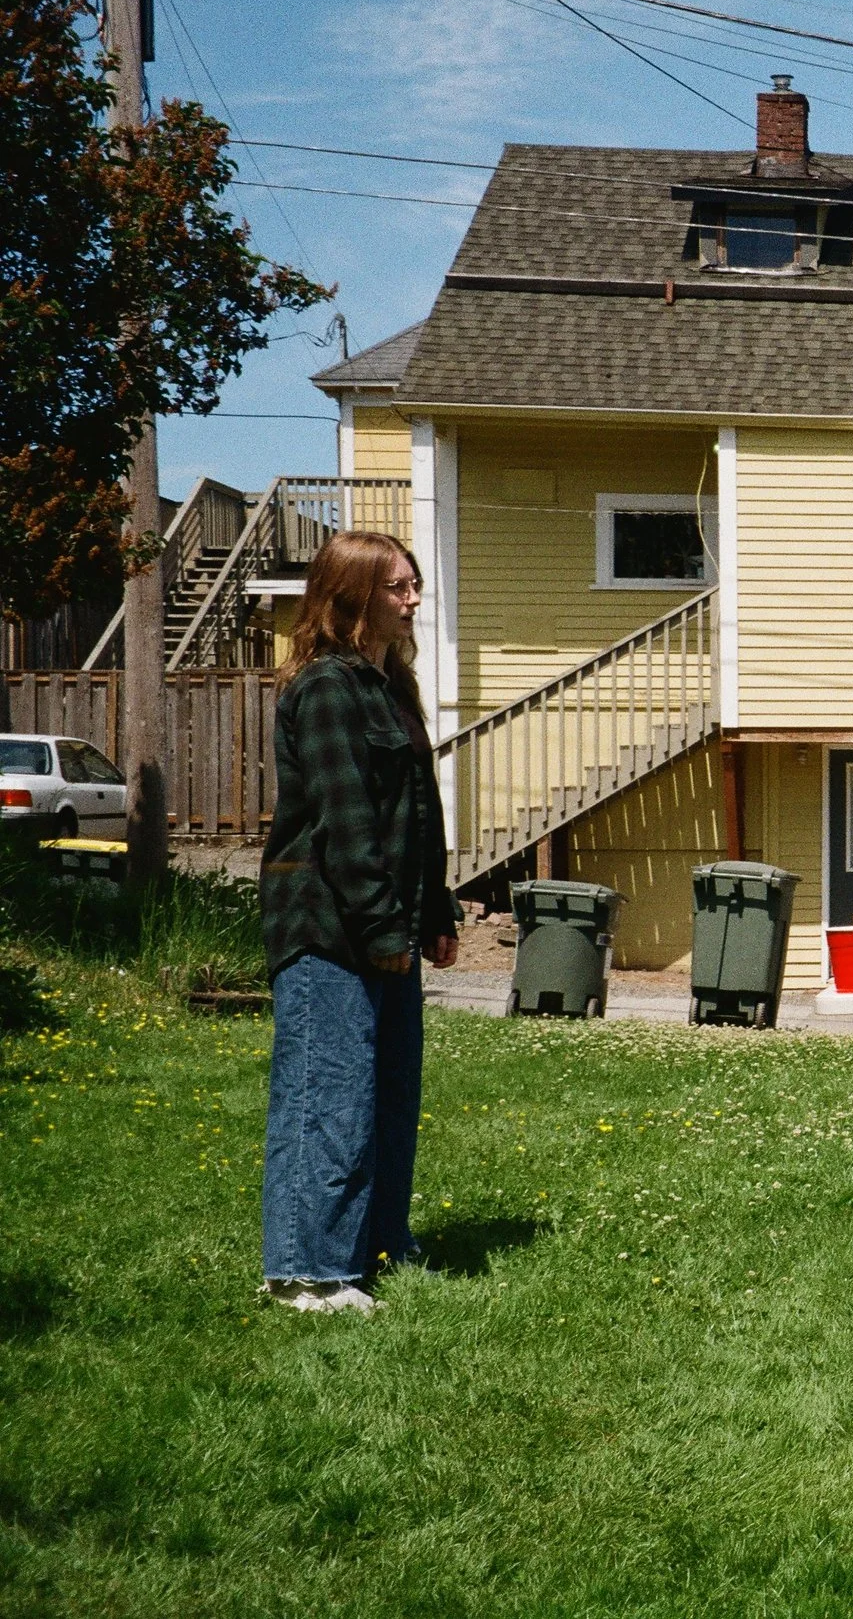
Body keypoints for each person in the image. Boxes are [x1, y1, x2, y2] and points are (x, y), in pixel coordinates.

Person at [259, 531, 458, 1314]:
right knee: (326, 1097)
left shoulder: (389, 687)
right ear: (350, 598)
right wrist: (381, 929)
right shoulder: (327, 690)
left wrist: (434, 912)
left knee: (387, 1095)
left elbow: (418, 816)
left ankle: (377, 1246)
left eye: (413, 585)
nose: (413, 600)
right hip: (326, 930)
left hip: (386, 926)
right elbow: (346, 826)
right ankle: (307, 1271)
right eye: (398, 589)